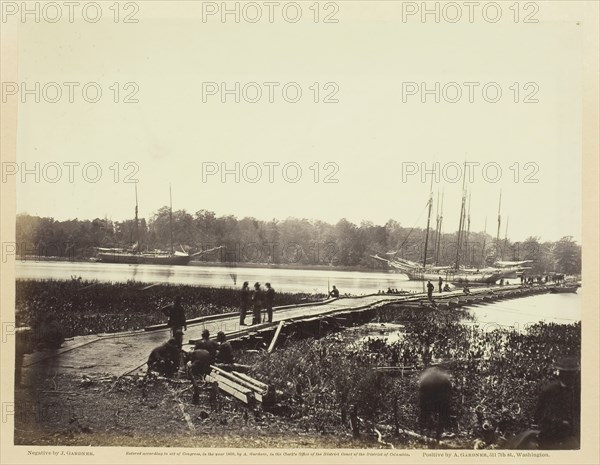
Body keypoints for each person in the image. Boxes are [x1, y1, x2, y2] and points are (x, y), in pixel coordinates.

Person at [533, 356, 580, 449]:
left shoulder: (577, 391)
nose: (570, 377)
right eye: (567, 373)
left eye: (572, 373)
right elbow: (538, 415)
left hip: (573, 433)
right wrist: (559, 422)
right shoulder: (549, 391)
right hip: (552, 434)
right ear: (561, 374)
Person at [418, 362, 453, 439]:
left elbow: (420, 388)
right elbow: (449, 389)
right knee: (443, 411)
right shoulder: (443, 374)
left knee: (425, 412)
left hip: (426, 398)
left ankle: (423, 430)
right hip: (439, 398)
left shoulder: (425, 374)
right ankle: (442, 429)